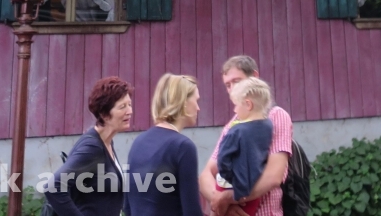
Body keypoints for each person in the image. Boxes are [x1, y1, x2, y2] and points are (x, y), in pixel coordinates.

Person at [199, 56, 292, 216]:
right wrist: (221, 201)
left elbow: (273, 176)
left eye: (236, 81)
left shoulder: (276, 116)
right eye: (228, 85)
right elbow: (206, 174)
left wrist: (230, 197)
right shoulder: (232, 125)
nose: (232, 88)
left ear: (254, 77)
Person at [44, 76, 133, 216]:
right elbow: (53, 187)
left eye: (129, 104)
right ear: (104, 114)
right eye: (122, 107)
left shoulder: (106, 142)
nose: (129, 111)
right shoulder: (92, 148)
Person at [124, 73, 202, 216]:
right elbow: (192, 211)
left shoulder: (138, 143)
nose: (198, 108)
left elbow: (127, 206)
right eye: (196, 101)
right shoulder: (183, 147)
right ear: (183, 102)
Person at [214, 77, 274, 216]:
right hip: (255, 188)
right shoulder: (268, 126)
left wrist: (228, 177)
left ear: (248, 104)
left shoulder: (237, 130)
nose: (235, 110)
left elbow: (222, 159)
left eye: (236, 105)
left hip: (229, 185)